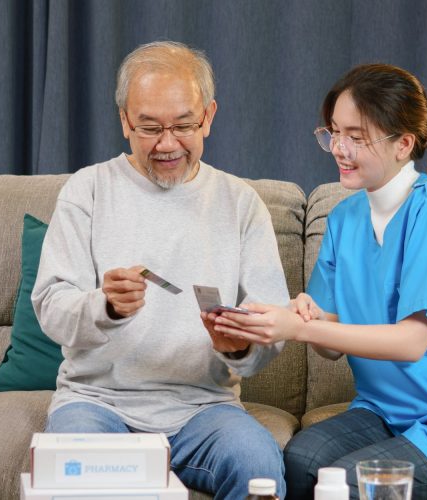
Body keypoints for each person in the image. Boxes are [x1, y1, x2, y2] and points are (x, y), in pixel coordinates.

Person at [213, 63, 427, 499]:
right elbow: (328, 345)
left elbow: (411, 343)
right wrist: (302, 312)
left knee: (349, 482)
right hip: (390, 411)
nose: (339, 148)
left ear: (403, 144)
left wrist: (300, 327)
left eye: (357, 137)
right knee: (302, 461)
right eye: (333, 133)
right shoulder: (344, 218)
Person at [31, 41, 290, 499]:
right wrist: (103, 307)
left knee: (257, 465)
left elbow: (275, 325)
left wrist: (238, 348)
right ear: (124, 121)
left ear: (208, 116)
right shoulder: (87, 191)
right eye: (149, 127)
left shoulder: (241, 203)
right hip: (97, 404)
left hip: (204, 408)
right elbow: (50, 305)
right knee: (69, 477)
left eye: (184, 125)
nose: (167, 144)